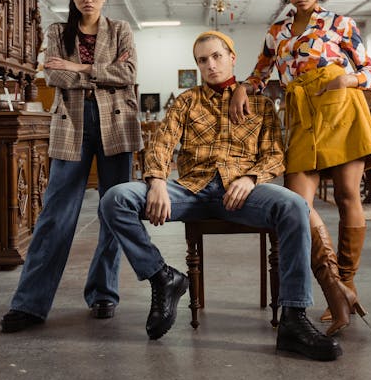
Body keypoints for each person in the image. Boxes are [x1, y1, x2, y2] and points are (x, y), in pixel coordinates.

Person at [100, 30, 341, 362]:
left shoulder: (260, 104)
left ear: (232, 57)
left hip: (241, 193)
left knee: (294, 205)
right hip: (190, 190)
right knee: (115, 198)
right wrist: (157, 181)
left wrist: (250, 177)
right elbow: (161, 143)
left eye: (216, 56)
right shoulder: (187, 101)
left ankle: (294, 320)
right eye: (202, 60)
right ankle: (162, 277)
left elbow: (274, 155)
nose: (210, 65)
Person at [230, 0, 371, 337]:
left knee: (348, 196)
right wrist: (240, 87)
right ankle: (337, 288)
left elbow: (370, 71)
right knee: (297, 204)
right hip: (300, 117)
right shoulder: (276, 31)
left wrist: (345, 81)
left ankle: (349, 279)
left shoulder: (340, 24)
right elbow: (260, 75)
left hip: (340, 111)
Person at [0, 0, 142, 332]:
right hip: (72, 128)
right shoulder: (57, 32)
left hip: (117, 128)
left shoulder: (121, 30)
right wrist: (96, 71)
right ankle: (30, 304)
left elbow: (128, 75)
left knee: (115, 211)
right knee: (55, 215)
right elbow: (53, 74)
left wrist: (79, 69)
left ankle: (103, 294)